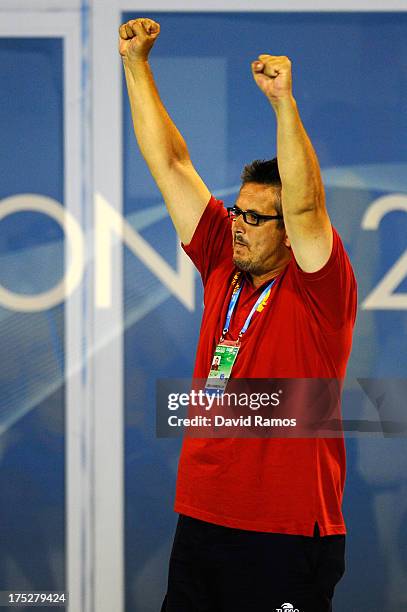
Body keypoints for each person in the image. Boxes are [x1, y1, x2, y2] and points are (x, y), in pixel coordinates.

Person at [119, 17, 357, 612]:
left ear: (289, 232)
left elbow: (305, 205)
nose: (238, 226)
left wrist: (282, 105)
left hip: (284, 532)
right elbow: (170, 164)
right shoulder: (224, 259)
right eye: (238, 211)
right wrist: (135, 67)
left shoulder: (319, 288)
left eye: (255, 218)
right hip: (201, 518)